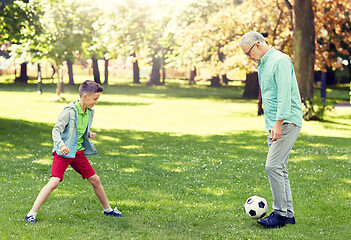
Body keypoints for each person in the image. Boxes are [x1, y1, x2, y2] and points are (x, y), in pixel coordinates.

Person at [25, 80, 124, 224]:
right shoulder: (69, 111)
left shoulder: (88, 112)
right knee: (54, 182)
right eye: (95, 99)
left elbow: (78, 128)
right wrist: (61, 145)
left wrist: (88, 133)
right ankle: (31, 213)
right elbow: (56, 130)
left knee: (95, 179)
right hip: (64, 153)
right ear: (84, 97)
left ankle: (107, 210)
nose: (96, 102)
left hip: (77, 153)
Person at [239, 31, 303, 228]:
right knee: (279, 168)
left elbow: (284, 95)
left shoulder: (280, 61)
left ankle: (280, 214)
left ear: (258, 44)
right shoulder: (263, 64)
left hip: (285, 121)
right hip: (275, 124)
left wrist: (278, 124)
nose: (249, 58)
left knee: (272, 166)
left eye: (249, 53)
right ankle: (288, 214)